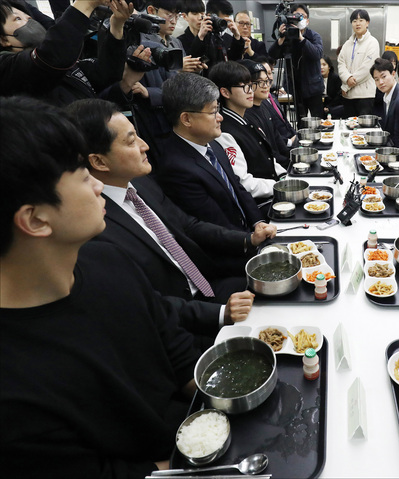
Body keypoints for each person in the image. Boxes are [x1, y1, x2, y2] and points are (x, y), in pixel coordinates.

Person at [0, 95, 200, 476]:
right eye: (82, 174)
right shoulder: (13, 390)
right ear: (36, 219)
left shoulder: (108, 260)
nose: (98, 186)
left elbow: (180, 356)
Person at [67, 98, 260, 338]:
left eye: (138, 135)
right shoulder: (96, 224)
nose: (144, 145)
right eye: (131, 141)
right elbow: (145, 301)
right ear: (98, 161)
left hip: (208, 286)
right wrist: (220, 314)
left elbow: (188, 226)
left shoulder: (140, 183)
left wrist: (249, 239)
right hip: (179, 325)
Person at [154, 72, 273, 236]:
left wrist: (258, 222)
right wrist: (250, 240)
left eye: (218, 110)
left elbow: (237, 187)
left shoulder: (213, 144)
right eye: (213, 112)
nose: (220, 118)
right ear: (186, 119)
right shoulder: (176, 168)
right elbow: (213, 224)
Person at [0, 0, 136, 106]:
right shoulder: (6, 67)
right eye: (17, 18)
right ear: (3, 39)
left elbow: (106, 73)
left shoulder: (65, 61)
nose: (29, 20)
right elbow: (51, 58)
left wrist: (117, 26)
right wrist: (86, 4)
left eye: (29, 17)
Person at [209, 61, 285, 202]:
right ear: (225, 92)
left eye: (250, 85)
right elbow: (243, 183)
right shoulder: (224, 132)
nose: (250, 90)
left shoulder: (246, 119)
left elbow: (268, 159)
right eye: (243, 86)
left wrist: (286, 175)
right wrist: (279, 186)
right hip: (262, 202)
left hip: (273, 190)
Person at [269, 3, 324, 118]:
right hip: (295, 86)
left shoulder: (314, 36)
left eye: (302, 15)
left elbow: (317, 54)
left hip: (313, 87)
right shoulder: (287, 35)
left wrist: (301, 38)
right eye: (295, 15)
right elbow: (272, 56)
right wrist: (281, 38)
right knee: (300, 121)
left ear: (307, 20)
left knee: (318, 120)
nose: (299, 17)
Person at [242, 59, 291, 168]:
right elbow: (267, 153)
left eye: (267, 80)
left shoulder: (264, 105)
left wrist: (292, 159)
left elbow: (278, 141)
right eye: (259, 82)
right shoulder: (247, 114)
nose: (265, 85)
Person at [337, 8, 380, 117]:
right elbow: (341, 63)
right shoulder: (347, 44)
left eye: (361, 20)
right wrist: (347, 78)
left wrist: (346, 86)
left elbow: (367, 69)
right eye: (354, 21)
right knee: (349, 129)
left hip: (365, 96)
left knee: (362, 130)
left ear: (367, 23)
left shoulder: (373, 43)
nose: (357, 23)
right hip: (348, 97)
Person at [370, 57, 399, 135]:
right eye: (376, 79)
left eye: (384, 77)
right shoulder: (387, 95)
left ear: (393, 74)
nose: (381, 82)